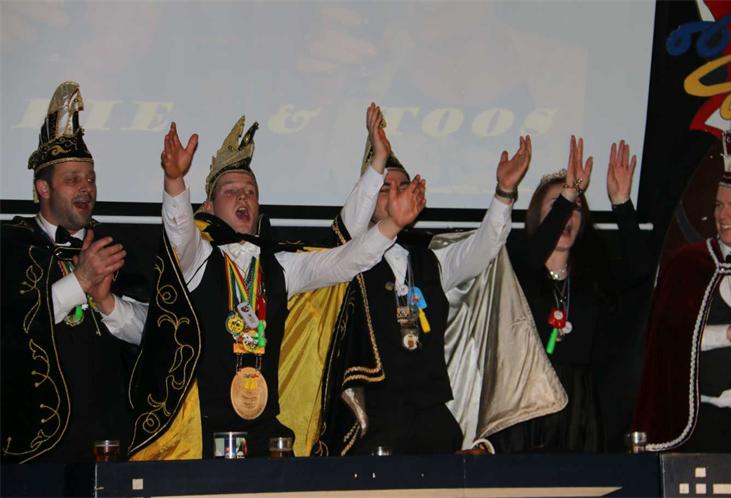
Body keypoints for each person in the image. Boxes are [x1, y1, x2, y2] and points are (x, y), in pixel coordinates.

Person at [128, 116, 425, 459]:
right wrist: (175, 181)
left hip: (266, 434)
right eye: (231, 191)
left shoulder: (281, 264)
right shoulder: (199, 258)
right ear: (208, 207)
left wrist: (392, 223)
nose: (243, 196)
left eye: (250, 192)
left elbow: (345, 261)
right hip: (205, 436)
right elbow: (179, 235)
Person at [315, 104, 532, 455]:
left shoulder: (429, 259)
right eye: (384, 187)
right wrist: (378, 158)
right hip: (376, 417)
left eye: (403, 185)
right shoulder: (348, 257)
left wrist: (504, 192)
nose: (397, 193)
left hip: (430, 413)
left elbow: (482, 249)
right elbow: (349, 226)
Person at [1, 81, 148, 463]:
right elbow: (12, 326)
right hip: (36, 444)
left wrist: (108, 302)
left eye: (91, 178)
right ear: (43, 188)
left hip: (112, 440)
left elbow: (153, 336)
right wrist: (79, 282)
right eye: (72, 180)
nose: (86, 188)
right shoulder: (11, 246)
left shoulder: (116, 245)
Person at [489, 136, 648, 452]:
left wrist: (621, 202)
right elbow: (532, 258)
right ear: (538, 215)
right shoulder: (518, 264)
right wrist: (570, 193)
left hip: (580, 411)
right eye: (559, 204)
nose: (568, 213)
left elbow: (641, 270)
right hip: (526, 403)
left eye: (576, 208)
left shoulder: (592, 275)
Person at [633, 112, 731, 453]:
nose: (723, 215)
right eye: (719, 205)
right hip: (703, 425)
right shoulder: (689, 265)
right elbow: (667, 344)